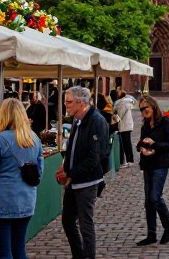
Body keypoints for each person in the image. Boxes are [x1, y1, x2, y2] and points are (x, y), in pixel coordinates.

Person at [0, 98, 44, 259]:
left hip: (1, 202)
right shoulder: (34, 139)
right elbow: (39, 173)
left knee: (3, 252)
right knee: (19, 248)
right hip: (26, 200)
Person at [56, 86, 110, 259]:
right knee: (68, 221)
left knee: (86, 224)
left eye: (69, 102)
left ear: (81, 102)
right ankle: (79, 255)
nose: (66, 105)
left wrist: (71, 173)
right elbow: (73, 148)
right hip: (74, 180)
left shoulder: (96, 121)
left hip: (87, 181)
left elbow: (96, 156)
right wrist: (65, 167)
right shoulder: (77, 119)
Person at [135, 95, 169, 246]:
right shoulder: (145, 125)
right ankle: (151, 234)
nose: (143, 111)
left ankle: (168, 229)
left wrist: (154, 146)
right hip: (147, 164)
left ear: (153, 106)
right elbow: (140, 143)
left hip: (160, 164)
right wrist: (142, 148)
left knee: (155, 198)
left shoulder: (165, 122)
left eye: (145, 108)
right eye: (141, 109)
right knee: (148, 201)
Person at [113, 89, 137, 167]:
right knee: (127, 143)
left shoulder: (120, 104)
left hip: (123, 125)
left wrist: (114, 116)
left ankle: (128, 161)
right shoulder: (128, 102)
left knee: (125, 144)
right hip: (128, 124)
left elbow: (119, 116)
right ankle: (129, 160)